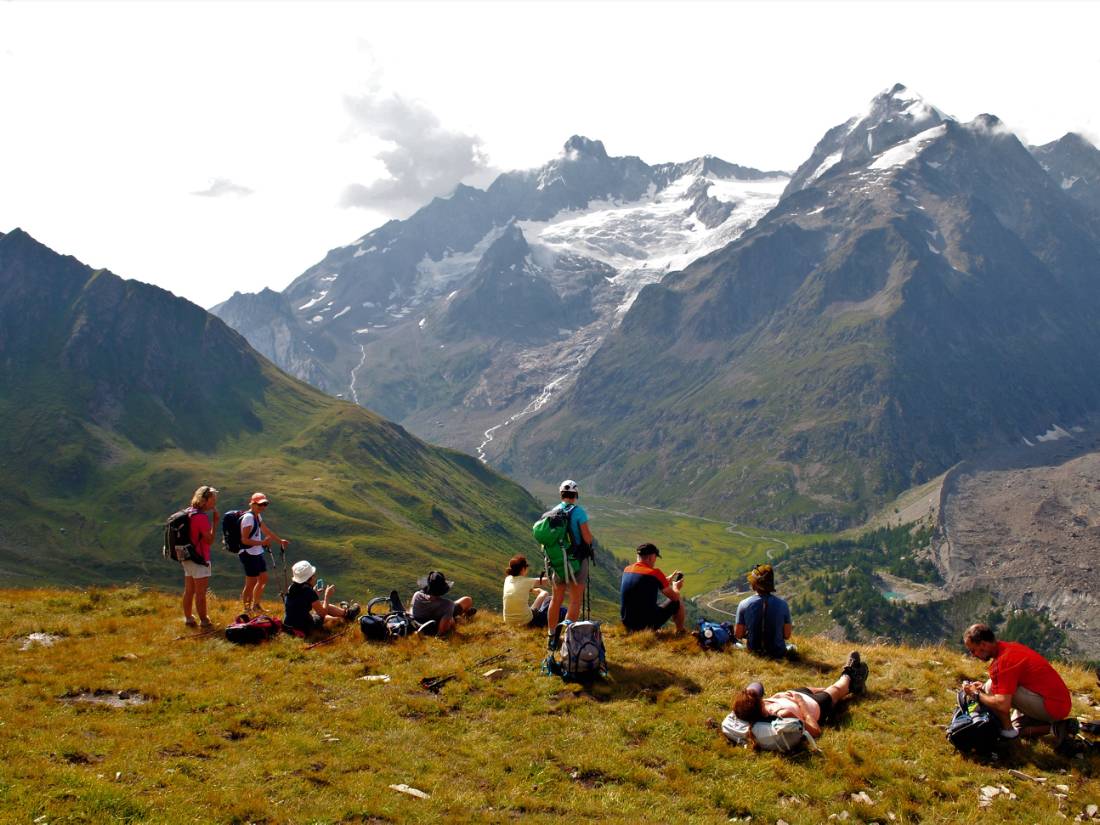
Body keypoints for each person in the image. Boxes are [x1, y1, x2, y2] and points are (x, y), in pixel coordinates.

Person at [961, 623, 1076, 746]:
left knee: (993, 692)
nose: (973, 655)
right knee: (1016, 725)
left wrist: (976, 693)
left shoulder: (1003, 661)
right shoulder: (1009, 647)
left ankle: (1008, 734)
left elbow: (1002, 705)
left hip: (1051, 706)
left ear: (983, 645)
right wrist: (983, 688)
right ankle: (1057, 728)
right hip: (1057, 702)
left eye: (973, 650)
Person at [732, 652, 869, 739]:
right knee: (838, 688)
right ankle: (850, 675)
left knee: (826, 689)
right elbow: (815, 731)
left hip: (796, 694)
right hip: (814, 705)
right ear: (759, 705)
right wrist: (801, 703)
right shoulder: (783, 714)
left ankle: (854, 682)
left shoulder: (750, 710)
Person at [545, 479, 595, 646]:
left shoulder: (554, 511)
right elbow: (587, 538)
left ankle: (552, 636)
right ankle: (567, 638)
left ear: (561, 494)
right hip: (577, 561)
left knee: (556, 599)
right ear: (576, 495)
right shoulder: (579, 512)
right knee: (574, 601)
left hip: (558, 561)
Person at [238, 492, 290, 614]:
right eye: (259, 504)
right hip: (248, 553)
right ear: (253, 504)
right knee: (250, 582)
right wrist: (262, 543)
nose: (262, 507)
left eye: (264, 504)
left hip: (256, 552)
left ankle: (255, 605)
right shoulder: (248, 518)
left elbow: (265, 530)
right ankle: (247, 609)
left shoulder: (257, 516)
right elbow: (244, 540)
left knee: (263, 578)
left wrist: (279, 541)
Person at [620, 542, 686, 633]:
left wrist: (664, 581)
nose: (655, 561)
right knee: (678, 601)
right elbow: (675, 597)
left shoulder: (627, 569)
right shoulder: (655, 573)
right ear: (651, 557)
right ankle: (680, 631)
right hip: (645, 625)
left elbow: (642, 586)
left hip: (627, 623)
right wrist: (676, 587)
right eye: (655, 558)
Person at [282, 560, 360, 637]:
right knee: (327, 610)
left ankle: (346, 613)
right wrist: (327, 596)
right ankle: (348, 614)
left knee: (322, 604)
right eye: (314, 575)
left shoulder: (292, 588)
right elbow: (322, 613)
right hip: (304, 628)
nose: (315, 577)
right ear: (310, 578)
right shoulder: (308, 592)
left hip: (289, 626)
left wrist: (315, 593)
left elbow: (301, 602)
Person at [734, 563, 794, 657]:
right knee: (792, 647)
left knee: (736, 644)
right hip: (777, 653)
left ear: (755, 584)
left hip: (753, 652)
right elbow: (787, 635)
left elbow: (738, 634)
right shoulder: (783, 605)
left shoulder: (744, 604)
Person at [182, 485, 218, 628]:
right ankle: (204, 620)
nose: (214, 503)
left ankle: (189, 618)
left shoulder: (189, 513)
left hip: (186, 556)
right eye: (213, 499)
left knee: (189, 590)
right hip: (200, 558)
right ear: (205, 500)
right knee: (200, 593)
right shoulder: (201, 517)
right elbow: (209, 540)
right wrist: (215, 522)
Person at [502, 555, 564, 628]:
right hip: (526, 621)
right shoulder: (527, 582)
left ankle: (542, 594)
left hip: (508, 621)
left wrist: (531, 590)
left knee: (545, 594)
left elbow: (519, 588)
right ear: (523, 569)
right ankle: (554, 634)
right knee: (560, 609)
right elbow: (548, 580)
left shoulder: (508, 579)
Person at [410, 571, 476, 636]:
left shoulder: (417, 595)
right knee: (468, 600)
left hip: (421, 622)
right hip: (437, 621)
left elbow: (411, 613)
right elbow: (442, 631)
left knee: (453, 613)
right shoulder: (447, 605)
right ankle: (464, 616)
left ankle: (463, 615)